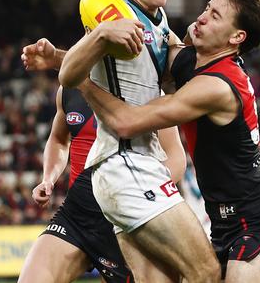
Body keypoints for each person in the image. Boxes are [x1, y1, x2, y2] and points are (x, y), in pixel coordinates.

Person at [74, 0, 260, 283]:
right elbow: (150, 58)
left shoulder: (216, 86)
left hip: (259, 218)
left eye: (215, 16)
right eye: (207, 7)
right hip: (223, 218)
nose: (202, 18)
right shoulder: (194, 62)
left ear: (237, 38)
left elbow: (126, 122)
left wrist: (80, 80)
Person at [53, 0, 220, 283]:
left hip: (139, 164)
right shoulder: (111, 12)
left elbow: (178, 69)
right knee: (206, 271)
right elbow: (68, 74)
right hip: (123, 164)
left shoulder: (159, 23)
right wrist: (99, 35)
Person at [17, 78, 187, 281]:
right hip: (79, 212)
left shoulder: (147, 91)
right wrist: (48, 178)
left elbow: (176, 158)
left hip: (128, 219)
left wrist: (140, 195)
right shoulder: (70, 88)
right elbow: (59, 139)